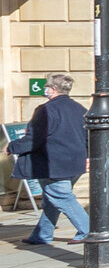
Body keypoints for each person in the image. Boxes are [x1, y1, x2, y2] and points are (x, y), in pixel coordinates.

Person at [8, 73, 88, 247]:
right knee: (52, 199)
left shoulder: (46, 110)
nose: (45, 88)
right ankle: (42, 234)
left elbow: (35, 138)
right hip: (75, 162)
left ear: (52, 89)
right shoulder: (80, 109)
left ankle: (88, 230)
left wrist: (12, 147)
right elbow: (88, 136)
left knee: (61, 196)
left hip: (53, 163)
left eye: (46, 86)